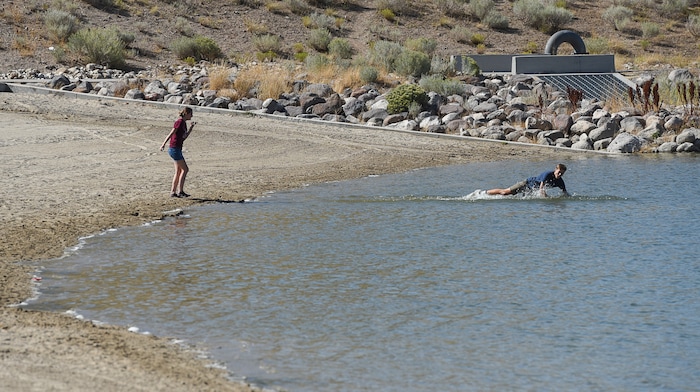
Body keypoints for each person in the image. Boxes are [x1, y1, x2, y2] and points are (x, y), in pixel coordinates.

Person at [160, 107, 196, 198]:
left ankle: (173, 192)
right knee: (185, 169)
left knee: (179, 171)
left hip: (177, 149)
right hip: (174, 149)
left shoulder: (183, 124)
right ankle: (180, 191)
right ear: (187, 113)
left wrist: (191, 128)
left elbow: (184, 137)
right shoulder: (179, 122)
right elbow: (171, 133)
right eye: (191, 114)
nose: (192, 116)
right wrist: (163, 144)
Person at [486, 163, 569, 197]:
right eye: (559, 172)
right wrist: (547, 198)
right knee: (505, 192)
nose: (560, 175)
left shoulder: (560, 181)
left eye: (562, 173)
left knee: (513, 197)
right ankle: (485, 193)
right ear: (555, 169)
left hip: (531, 190)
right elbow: (541, 188)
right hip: (526, 183)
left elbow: (565, 193)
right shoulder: (547, 174)